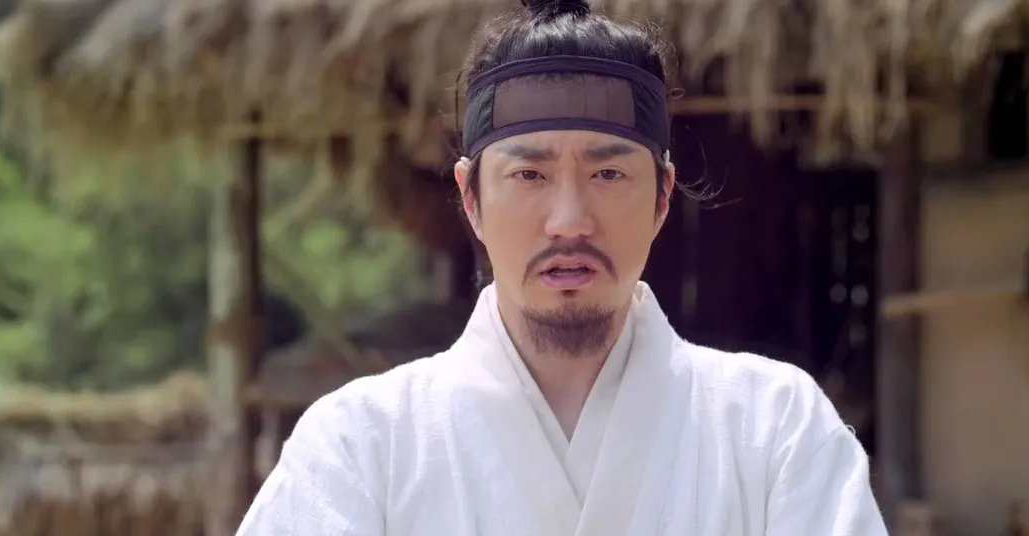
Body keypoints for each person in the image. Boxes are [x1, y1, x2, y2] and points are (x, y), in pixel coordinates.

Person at [236, 0, 888, 534]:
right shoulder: (360, 446)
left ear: (663, 197)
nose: (570, 220)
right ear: (471, 198)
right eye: (529, 174)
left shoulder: (774, 429)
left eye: (609, 174)